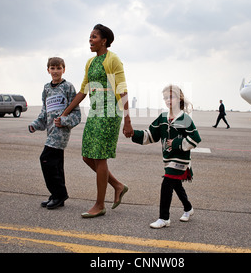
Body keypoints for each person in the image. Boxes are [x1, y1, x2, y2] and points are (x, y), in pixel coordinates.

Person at [59, 24, 132, 218]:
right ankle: (117, 185)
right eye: (90, 37)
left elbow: (122, 89)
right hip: (95, 112)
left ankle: (100, 205)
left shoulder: (113, 59)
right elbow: (83, 90)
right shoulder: (90, 63)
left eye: (94, 37)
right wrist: (65, 112)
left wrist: (127, 120)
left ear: (104, 40)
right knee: (87, 156)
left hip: (109, 113)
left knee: (100, 157)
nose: (90, 40)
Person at [130, 85, 201, 228]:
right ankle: (188, 208)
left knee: (167, 183)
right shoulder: (162, 118)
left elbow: (195, 139)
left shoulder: (185, 119)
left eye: (171, 97)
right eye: (165, 98)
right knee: (176, 184)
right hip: (168, 160)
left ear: (178, 98)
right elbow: (150, 135)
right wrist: (133, 134)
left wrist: (176, 143)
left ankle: (164, 218)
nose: (168, 100)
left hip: (181, 160)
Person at [29, 57, 81, 209]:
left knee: (46, 159)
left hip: (60, 133)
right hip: (49, 131)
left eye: (58, 68)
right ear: (48, 70)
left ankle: (59, 194)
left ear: (63, 69)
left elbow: (76, 115)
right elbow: (44, 113)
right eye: (52, 68)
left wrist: (64, 121)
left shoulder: (68, 87)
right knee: (56, 165)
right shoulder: (46, 88)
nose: (55, 71)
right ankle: (57, 195)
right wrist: (35, 125)